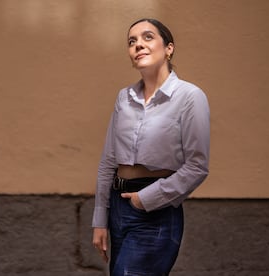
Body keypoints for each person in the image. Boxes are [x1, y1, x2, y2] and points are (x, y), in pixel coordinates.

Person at [92, 18, 210, 275]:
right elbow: (108, 162)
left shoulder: (190, 97)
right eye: (131, 41)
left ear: (169, 48)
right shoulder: (124, 98)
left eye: (147, 37)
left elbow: (197, 167)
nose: (138, 45)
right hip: (118, 209)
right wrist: (100, 220)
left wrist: (145, 200)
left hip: (155, 210)